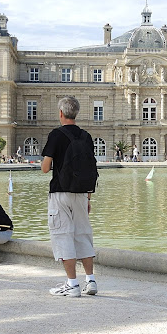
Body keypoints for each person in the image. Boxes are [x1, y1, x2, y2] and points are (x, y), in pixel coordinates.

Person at [42, 96, 98, 297]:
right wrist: (88, 198)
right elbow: (90, 167)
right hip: (82, 194)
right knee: (83, 234)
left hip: (60, 192)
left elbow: (45, 168)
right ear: (76, 113)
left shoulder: (56, 135)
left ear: (60, 113)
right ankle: (90, 281)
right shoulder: (86, 136)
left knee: (63, 236)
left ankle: (72, 284)